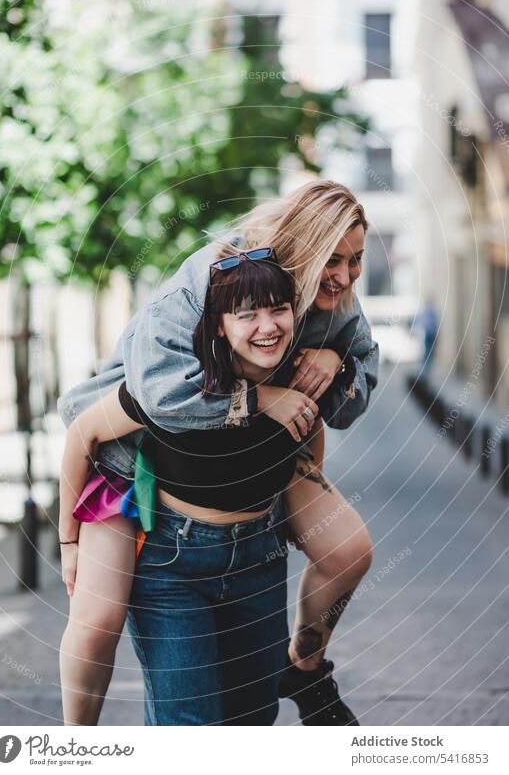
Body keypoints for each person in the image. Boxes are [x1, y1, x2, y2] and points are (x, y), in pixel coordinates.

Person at [58, 178, 378, 725]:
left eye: (358, 260)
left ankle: (305, 668)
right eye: (335, 260)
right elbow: (145, 403)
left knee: (347, 554)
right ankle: (72, 750)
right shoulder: (207, 293)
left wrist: (336, 365)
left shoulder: (329, 302)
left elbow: (343, 403)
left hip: (250, 522)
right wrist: (259, 398)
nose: (346, 276)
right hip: (136, 473)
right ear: (218, 328)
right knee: (98, 621)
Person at [59, 255, 315, 725]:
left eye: (278, 309)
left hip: (260, 560)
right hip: (173, 566)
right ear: (218, 325)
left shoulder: (297, 375)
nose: (267, 327)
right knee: (189, 730)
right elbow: (82, 434)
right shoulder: (177, 389)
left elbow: (308, 446)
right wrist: (69, 543)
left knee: (253, 721)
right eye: (247, 315)